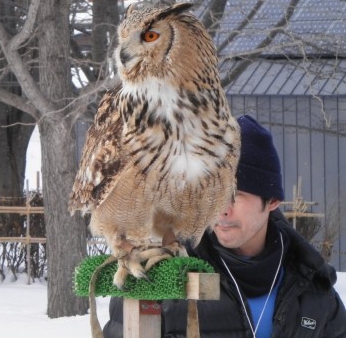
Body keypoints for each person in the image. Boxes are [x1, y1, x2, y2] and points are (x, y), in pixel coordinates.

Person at [103, 115, 346, 338]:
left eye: (235, 195)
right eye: (211, 195)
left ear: (272, 201)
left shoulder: (313, 288)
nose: (221, 209)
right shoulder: (160, 277)